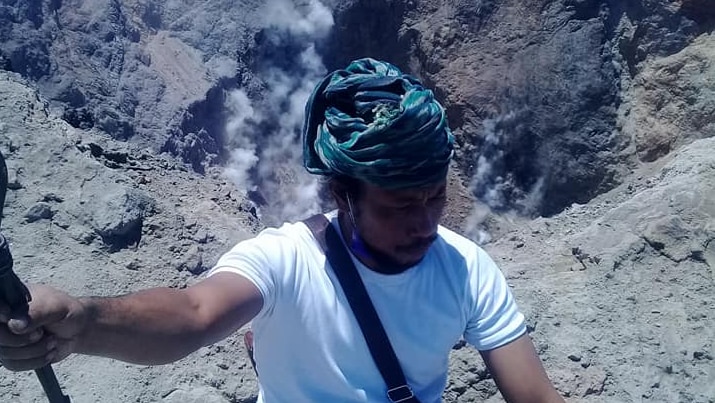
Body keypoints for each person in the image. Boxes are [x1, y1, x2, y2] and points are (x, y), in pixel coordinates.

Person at [0, 58, 564, 402]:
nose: (424, 223)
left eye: (435, 196)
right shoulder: (284, 260)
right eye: (398, 206)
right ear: (343, 195)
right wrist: (86, 323)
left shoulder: (466, 268)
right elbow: (195, 314)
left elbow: (535, 395)